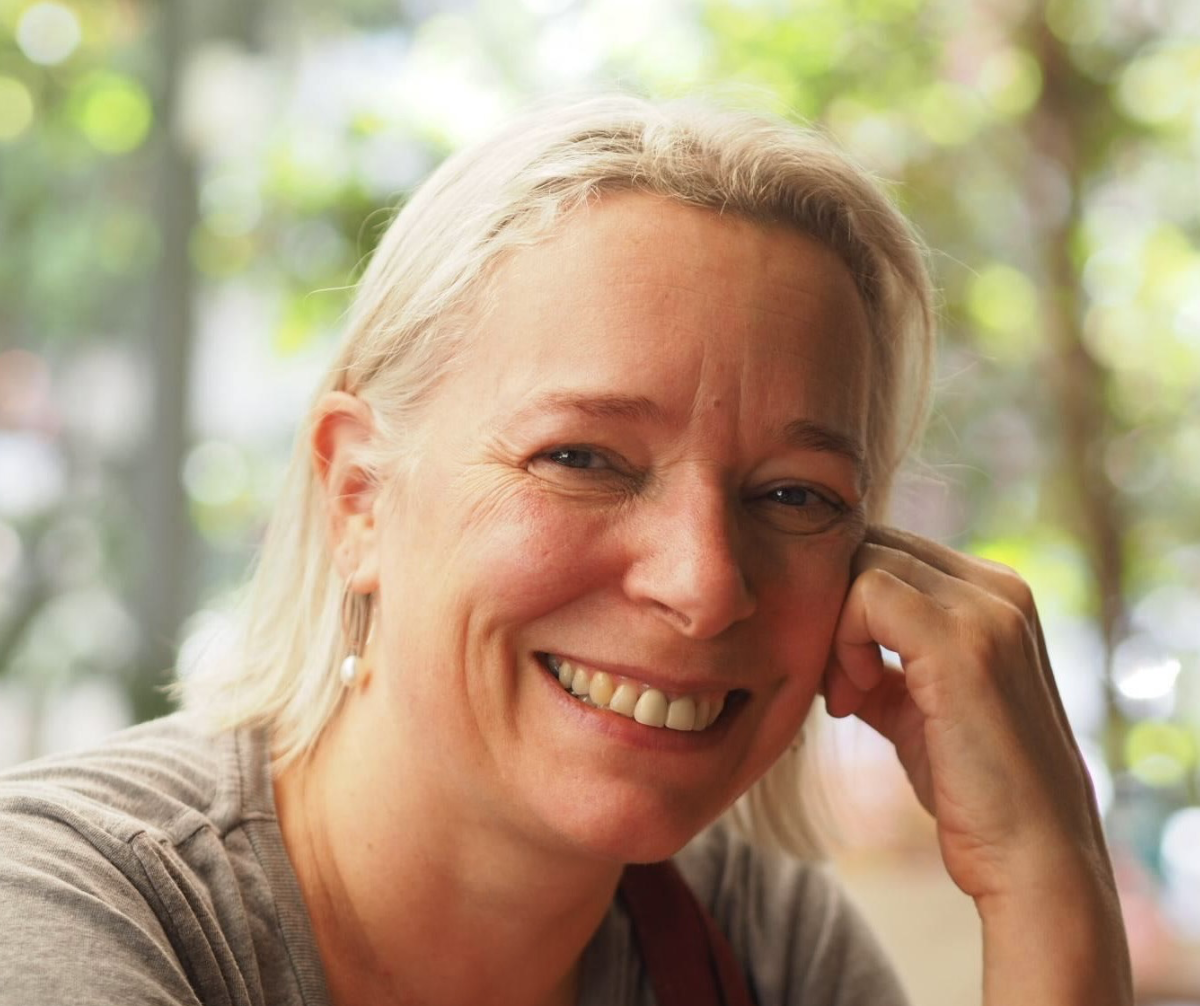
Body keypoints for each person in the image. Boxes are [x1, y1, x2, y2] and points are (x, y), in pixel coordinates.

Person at [0, 94, 1131, 1005]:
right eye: (584, 459)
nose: (703, 583)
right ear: (357, 496)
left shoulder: (758, 938)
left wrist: (1048, 881)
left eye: (794, 493)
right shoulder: (67, 912)